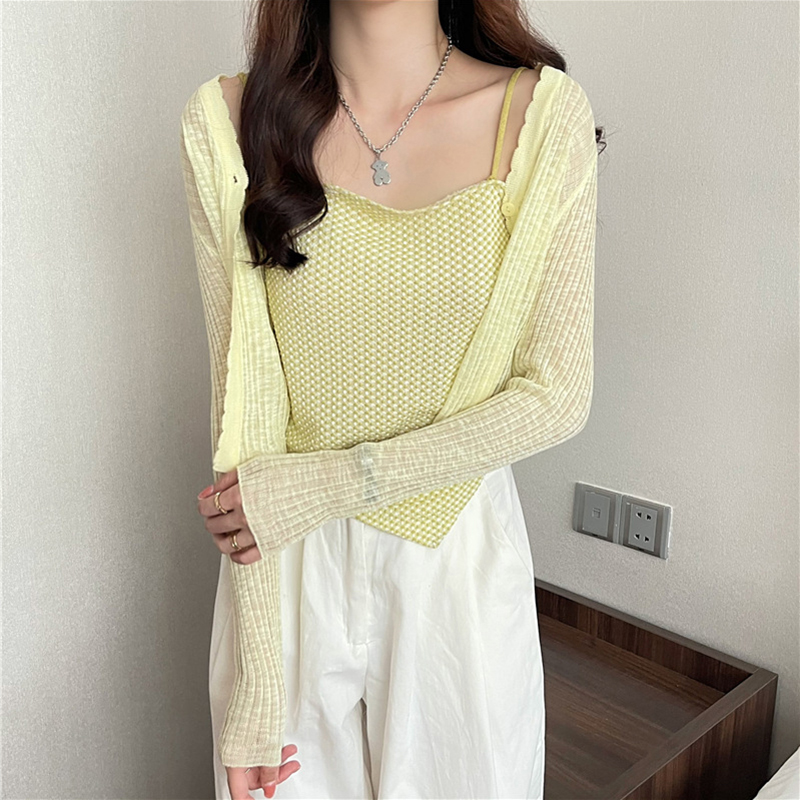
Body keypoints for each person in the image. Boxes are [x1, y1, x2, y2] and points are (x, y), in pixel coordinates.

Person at [182, 1, 603, 797]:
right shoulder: (227, 123)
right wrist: (256, 685)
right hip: (287, 568)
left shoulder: (540, 118)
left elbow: (556, 394)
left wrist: (335, 483)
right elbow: (242, 412)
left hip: (457, 569)